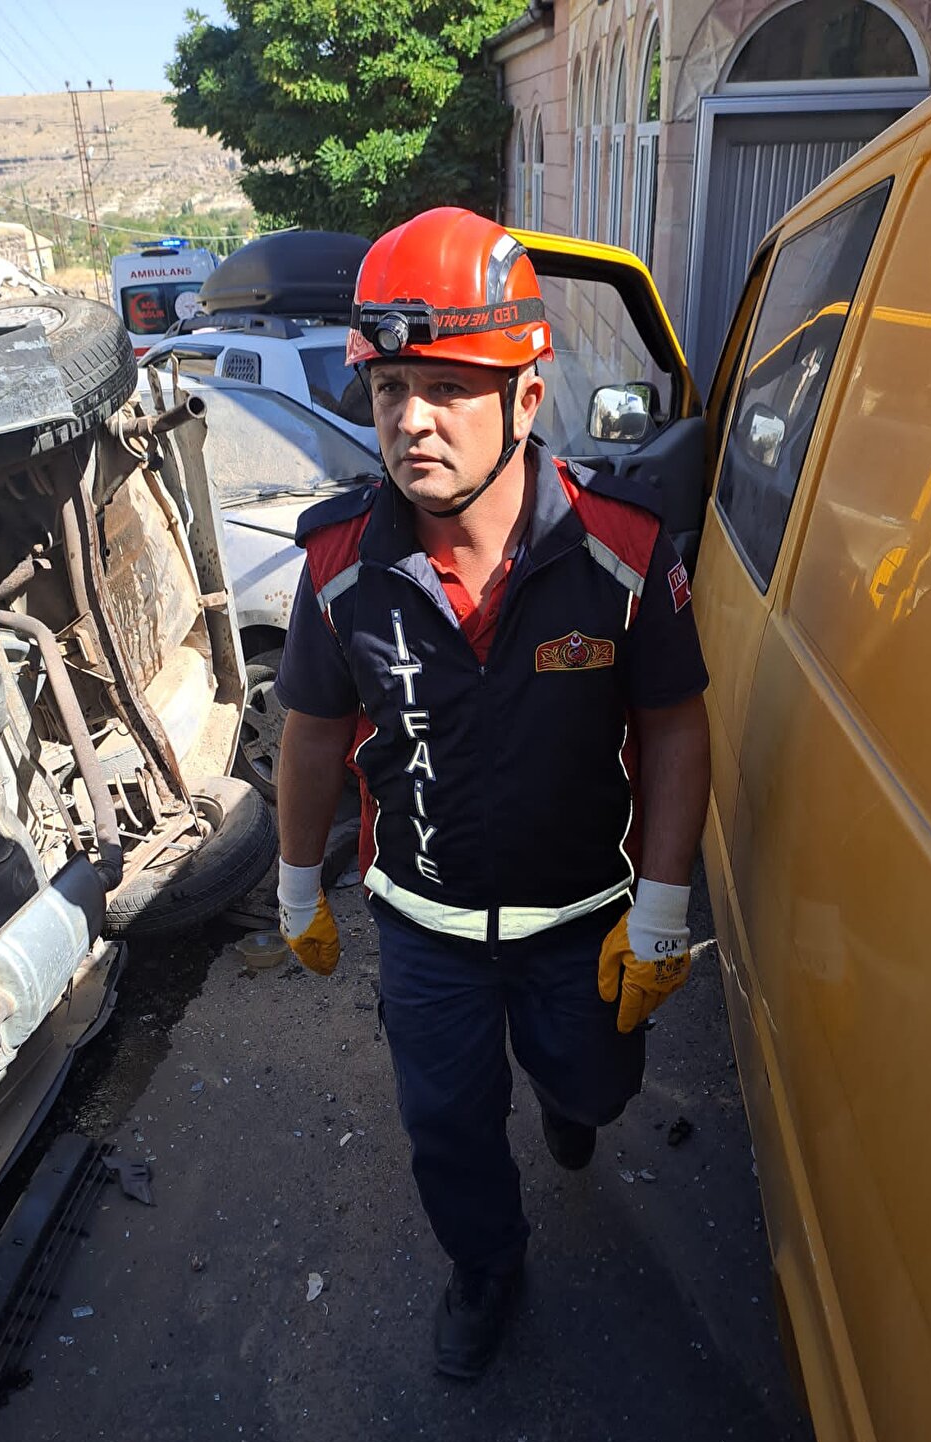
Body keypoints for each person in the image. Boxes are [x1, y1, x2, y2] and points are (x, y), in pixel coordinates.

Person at [273, 207, 710, 1380]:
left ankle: (572, 1099)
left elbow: (675, 724)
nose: (411, 419)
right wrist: (296, 884)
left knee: (597, 1089)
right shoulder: (338, 565)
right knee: (447, 1126)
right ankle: (485, 1264)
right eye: (390, 389)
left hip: (581, 920)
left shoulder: (623, 548)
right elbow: (311, 731)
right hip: (426, 929)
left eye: (449, 388)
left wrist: (663, 907)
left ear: (527, 398)